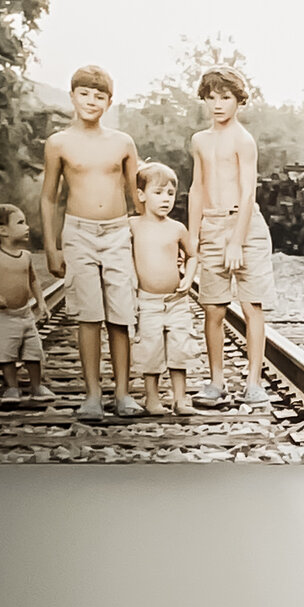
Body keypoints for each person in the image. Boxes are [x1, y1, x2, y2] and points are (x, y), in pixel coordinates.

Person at [41, 65, 143, 423]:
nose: (91, 101)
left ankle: (123, 394)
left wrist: (147, 239)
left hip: (117, 232)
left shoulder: (122, 143)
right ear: (72, 97)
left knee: (120, 314)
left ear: (109, 102)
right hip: (78, 232)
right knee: (88, 315)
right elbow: (49, 198)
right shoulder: (58, 143)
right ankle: (92, 395)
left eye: (99, 96)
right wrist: (53, 247)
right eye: (84, 94)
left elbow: (137, 195)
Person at [189, 65, 273, 399]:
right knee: (213, 306)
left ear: (238, 100)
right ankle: (216, 380)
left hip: (245, 225)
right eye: (211, 98)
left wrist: (237, 240)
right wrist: (193, 238)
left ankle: (253, 382)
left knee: (252, 304)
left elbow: (248, 191)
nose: (218, 105)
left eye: (225, 98)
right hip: (212, 224)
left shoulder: (243, 140)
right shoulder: (200, 140)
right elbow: (197, 188)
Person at [127, 164, 199, 418]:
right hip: (147, 301)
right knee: (151, 350)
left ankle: (180, 398)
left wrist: (188, 280)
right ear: (142, 195)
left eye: (170, 193)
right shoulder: (133, 225)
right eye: (158, 192)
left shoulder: (177, 228)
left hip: (176, 301)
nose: (166, 199)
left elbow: (192, 256)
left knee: (179, 349)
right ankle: (152, 398)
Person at [0, 204, 47, 402]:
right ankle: (12, 387)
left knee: (33, 351)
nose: (27, 226)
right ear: (3, 231)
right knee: (6, 352)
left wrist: (41, 302)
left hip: (25, 314)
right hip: (4, 315)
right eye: (21, 222)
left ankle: (37, 387)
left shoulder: (26, 256)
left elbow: (33, 280)